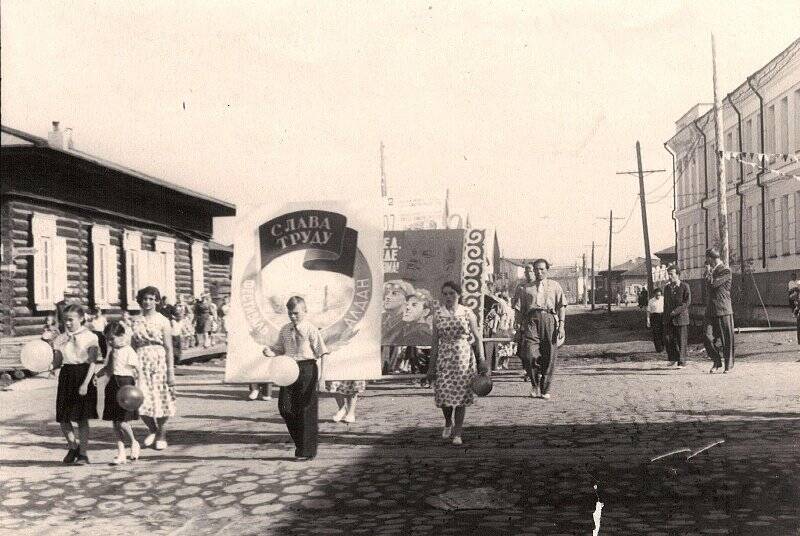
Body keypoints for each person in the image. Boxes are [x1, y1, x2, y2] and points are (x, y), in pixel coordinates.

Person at [262, 296, 329, 460]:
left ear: (305, 312)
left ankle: (307, 450)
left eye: (296, 313)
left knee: (306, 410)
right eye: (290, 313)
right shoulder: (285, 329)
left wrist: (322, 378)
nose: (293, 317)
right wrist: (270, 352)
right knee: (285, 407)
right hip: (288, 369)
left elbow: (322, 352)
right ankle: (301, 442)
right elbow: (279, 348)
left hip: (307, 368)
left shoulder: (311, 329)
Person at [426, 281, 489, 446]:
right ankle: (448, 422)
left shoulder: (467, 313)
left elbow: (478, 338)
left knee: (460, 397)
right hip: (444, 360)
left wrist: (482, 360)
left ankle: (458, 432)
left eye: (452, 293)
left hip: (463, 359)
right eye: (445, 294)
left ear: (459, 295)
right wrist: (431, 367)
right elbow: (434, 343)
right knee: (445, 397)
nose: (448, 297)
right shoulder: (438, 315)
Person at [52, 304, 100, 465]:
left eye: (71, 320)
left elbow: (92, 362)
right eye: (65, 320)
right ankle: (73, 446)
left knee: (81, 418)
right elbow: (58, 362)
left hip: (83, 374)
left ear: (81, 319)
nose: (67, 323)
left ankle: (84, 454)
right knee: (63, 417)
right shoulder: (60, 338)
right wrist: (55, 349)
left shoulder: (91, 337)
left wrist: (85, 383)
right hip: (67, 375)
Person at [512, 260, 566, 400]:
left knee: (549, 355)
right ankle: (535, 385)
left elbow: (561, 306)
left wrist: (561, 325)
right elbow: (518, 310)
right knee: (530, 354)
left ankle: (545, 388)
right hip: (531, 321)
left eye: (542, 269)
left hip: (549, 319)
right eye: (536, 269)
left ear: (547, 270)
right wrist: (518, 328)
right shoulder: (526, 288)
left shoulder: (555, 286)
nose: (539, 272)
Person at [131, 286, 176, 451]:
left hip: (158, 361)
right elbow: (132, 345)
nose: (147, 302)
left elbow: (169, 347)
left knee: (160, 398)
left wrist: (171, 371)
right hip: (140, 361)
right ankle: (153, 430)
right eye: (144, 299)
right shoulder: (135, 321)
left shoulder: (163, 320)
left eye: (151, 299)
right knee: (140, 399)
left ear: (157, 301)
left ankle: (162, 435)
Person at [96, 322, 141, 465]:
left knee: (122, 421)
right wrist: (97, 375)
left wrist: (138, 387)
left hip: (126, 385)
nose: (109, 342)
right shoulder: (113, 351)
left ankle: (134, 442)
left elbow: (137, 371)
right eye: (107, 339)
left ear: (121, 336)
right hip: (113, 385)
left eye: (112, 338)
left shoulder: (129, 351)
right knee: (115, 422)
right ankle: (121, 452)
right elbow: (108, 368)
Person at [703, 248, 734, 374]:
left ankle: (728, 365)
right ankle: (716, 360)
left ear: (711, 258)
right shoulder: (711, 271)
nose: (706, 262)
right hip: (710, 310)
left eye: (707, 259)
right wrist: (709, 273)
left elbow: (713, 285)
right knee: (707, 337)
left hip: (723, 309)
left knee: (726, 339)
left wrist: (709, 273)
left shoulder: (726, 270)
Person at [663, 265, 690, 368]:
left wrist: (676, 311)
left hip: (681, 318)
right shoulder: (667, 288)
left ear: (678, 275)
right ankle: (673, 358)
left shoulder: (684, 286)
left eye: (672, 274)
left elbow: (687, 302)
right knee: (668, 339)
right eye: (668, 274)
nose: (670, 276)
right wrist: (665, 318)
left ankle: (682, 362)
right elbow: (665, 304)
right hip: (669, 318)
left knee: (681, 340)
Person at [646, 288, 665, 353]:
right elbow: (648, 311)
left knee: (663, 332)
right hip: (655, 317)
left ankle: (663, 347)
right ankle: (658, 349)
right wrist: (648, 320)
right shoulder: (651, 301)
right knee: (656, 333)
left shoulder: (663, 299)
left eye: (659, 295)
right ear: (654, 294)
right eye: (657, 295)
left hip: (663, 316)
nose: (658, 296)